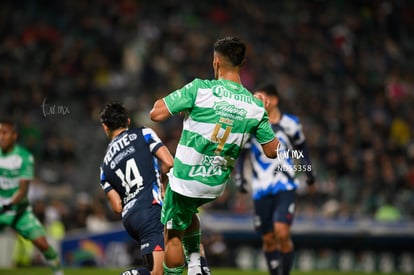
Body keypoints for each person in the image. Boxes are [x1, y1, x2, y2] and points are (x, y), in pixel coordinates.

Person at [149, 36, 280, 275]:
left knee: (172, 234)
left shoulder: (200, 89)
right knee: (190, 211)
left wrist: (184, 103)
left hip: (186, 180)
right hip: (216, 185)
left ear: (216, 61)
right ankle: (197, 266)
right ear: (243, 63)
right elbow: (273, 152)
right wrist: (266, 113)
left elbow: (156, 113)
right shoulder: (254, 106)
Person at [234, 83, 316, 275]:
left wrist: (309, 173)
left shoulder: (291, 123)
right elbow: (242, 154)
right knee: (268, 238)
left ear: (274, 99)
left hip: (285, 185)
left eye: (261, 97)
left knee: (281, 231)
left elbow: (301, 148)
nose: (257, 101)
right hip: (261, 188)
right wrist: (240, 177)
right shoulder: (251, 124)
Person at [99, 102, 174, 275]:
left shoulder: (104, 166)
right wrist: (158, 179)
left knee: (162, 266)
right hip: (151, 208)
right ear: (128, 120)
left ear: (105, 127)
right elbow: (169, 162)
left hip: (131, 218)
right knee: (158, 272)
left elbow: (117, 206)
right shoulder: (143, 134)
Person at [0, 119, 64, 275]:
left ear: (14, 136)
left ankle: (58, 273)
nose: (1, 136)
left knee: (43, 244)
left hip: (18, 210)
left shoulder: (24, 157)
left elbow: (22, 190)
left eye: (5, 133)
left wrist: (7, 204)